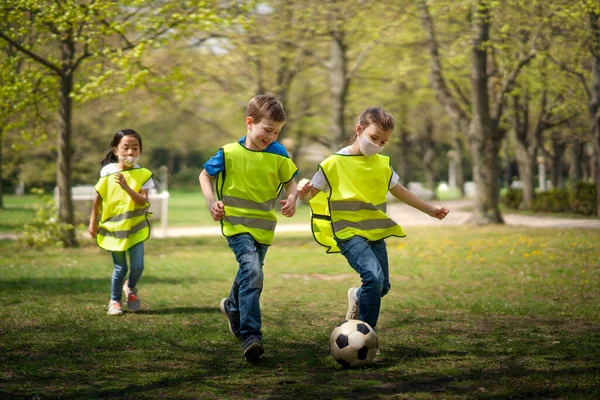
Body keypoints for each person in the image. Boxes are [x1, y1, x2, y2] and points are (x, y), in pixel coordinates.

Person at [297, 107, 449, 332]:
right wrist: (303, 189)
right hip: (348, 232)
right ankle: (365, 333)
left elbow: (400, 191)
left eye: (383, 142)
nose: (377, 145)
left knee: (382, 286)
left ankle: (358, 296)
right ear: (358, 130)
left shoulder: (382, 164)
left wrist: (430, 210)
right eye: (374, 138)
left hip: (375, 232)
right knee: (373, 278)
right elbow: (310, 194)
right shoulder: (333, 163)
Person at [199, 94, 299, 362]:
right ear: (249, 123)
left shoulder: (279, 153)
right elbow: (205, 175)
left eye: (277, 132)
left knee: (249, 272)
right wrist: (212, 202)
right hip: (235, 225)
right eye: (267, 130)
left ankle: (233, 306)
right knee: (252, 271)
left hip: (264, 228)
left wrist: (292, 199)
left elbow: (291, 182)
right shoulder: (228, 152)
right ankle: (251, 334)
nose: (272, 137)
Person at [88, 129, 154, 316]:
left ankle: (130, 287)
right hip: (113, 229)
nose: (130, 153)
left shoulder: (143, 174)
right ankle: (114, 301)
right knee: (120, 267)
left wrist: (126, 186)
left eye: (135, 148)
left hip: (135, 228)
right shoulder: (107, 172)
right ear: (116, 150)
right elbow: (98, 198)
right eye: (126, 148)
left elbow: (142, 201)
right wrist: (93, 222)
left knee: (138, 266)